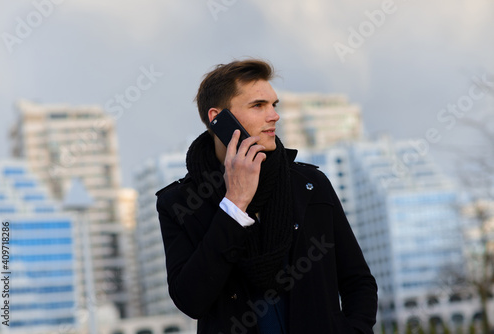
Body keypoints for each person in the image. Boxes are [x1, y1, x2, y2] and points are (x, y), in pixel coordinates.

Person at [156, 59, 378, 334]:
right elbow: (191, 300)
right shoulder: (179, 204)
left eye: (274, 105)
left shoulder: (310, 186)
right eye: (258, 105)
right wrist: (235, 205)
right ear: (218, 118)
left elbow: (358, 282)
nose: (274, 116)